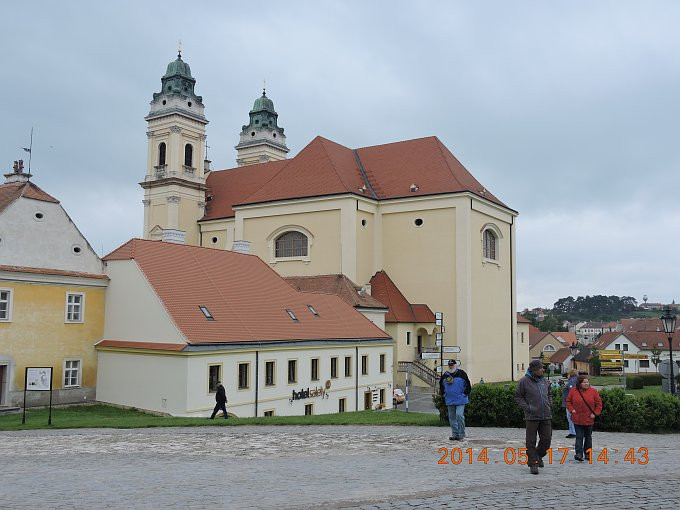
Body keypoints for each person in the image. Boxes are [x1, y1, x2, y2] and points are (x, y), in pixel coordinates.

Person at [515, 359, 552, 475]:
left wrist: (550, 404)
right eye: (541, 368)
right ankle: (533, 463)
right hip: (531, 416)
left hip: (546, 415)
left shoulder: (545, 381)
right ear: (534, 370)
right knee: (531, 441)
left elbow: (549, 394)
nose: (543, 369)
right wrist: (528, 408)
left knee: (546, 440)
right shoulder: (524, 381)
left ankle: (538, 455)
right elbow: (518, 397)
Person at [566, 375, 602, 462]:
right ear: (580, 383)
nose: (586, 384)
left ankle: (587, 454)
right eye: (584, 382)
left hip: (589, 418)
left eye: (587, 382)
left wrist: (595, 413)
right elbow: (568, 401)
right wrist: (572, 410)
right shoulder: (573, 391)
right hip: (577, 418)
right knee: (579, 437)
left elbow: (599, 404)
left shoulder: (593, 391)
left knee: (588, 437)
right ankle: (578, 454)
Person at [439, 360, 471, 441]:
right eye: (449, 365)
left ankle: (461, 433)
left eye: (452, 365)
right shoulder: (445, 375)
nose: (451, 366)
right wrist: (444, 395)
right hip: (450, 399)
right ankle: (455, 434)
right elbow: (441, 386)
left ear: (455, 365)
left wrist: (465, 394)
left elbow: (468, 385)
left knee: (459, 415)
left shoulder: (462, 373)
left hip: (461, 399)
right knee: (452, 417)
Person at [562, 369, 578, 439]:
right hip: (574, 403)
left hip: (570, 403)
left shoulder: (572, 381)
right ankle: (576, 432)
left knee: (570, 418)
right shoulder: (577, 380)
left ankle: (573, 432)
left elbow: (573, 392)